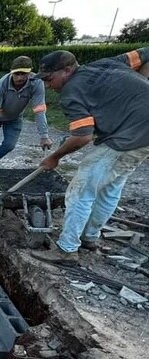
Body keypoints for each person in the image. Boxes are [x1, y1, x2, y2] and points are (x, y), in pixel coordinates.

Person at [30, 48, 149, 266]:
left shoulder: (71, 92)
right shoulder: (107, 63)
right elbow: (145, 54)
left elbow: (82, 137)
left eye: (50, 79)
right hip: (142, 136)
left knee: (80, 189)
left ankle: (66, 250)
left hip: (126, 137)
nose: (48, 85)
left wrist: (54, 157)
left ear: (67, 70)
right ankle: (89, 237)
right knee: (110, 186)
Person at [0, 56, 53, 174]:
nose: (20, 77)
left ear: (30, 72)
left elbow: (39, 110)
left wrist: (44, 136)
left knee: (9, 145)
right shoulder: (1, 85)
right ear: (11, 72)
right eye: (17, 74)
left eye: (23, 74)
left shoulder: (36, 83)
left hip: (14, 119)